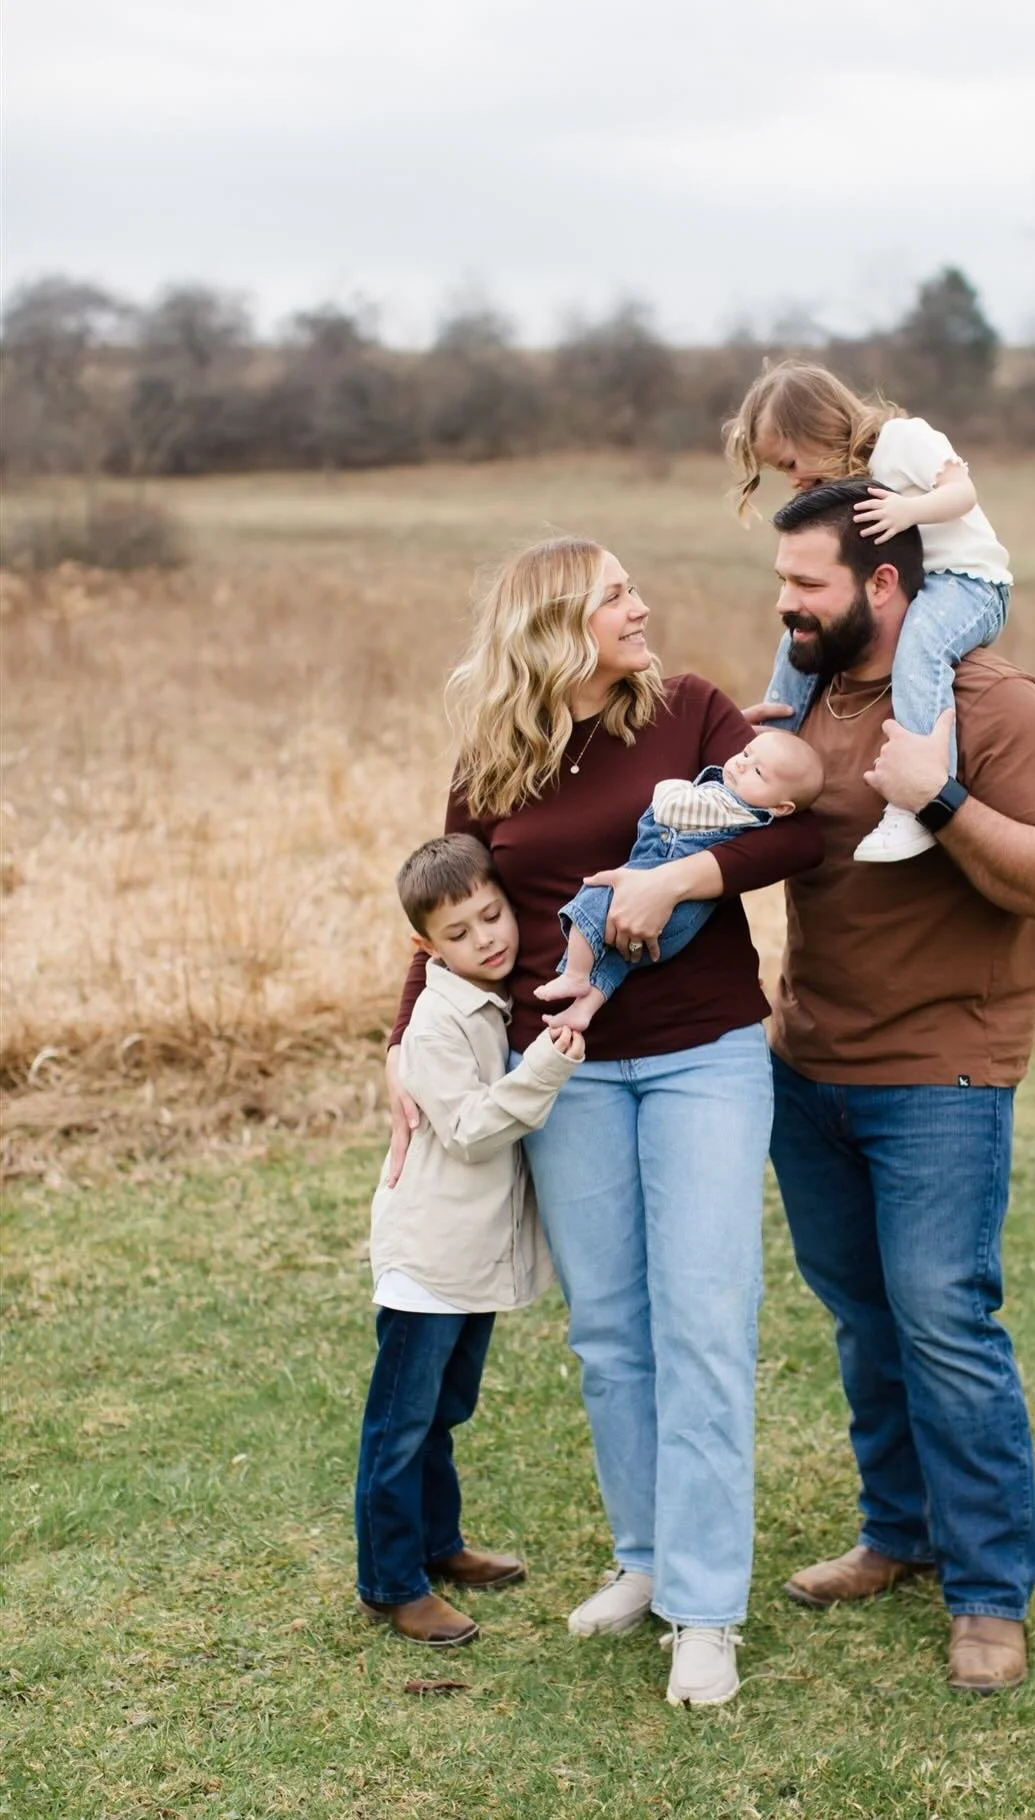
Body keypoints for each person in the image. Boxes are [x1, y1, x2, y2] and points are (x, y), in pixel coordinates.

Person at [384, 537, 823, 1707]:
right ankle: (646, 1556)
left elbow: (797, 828)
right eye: (615, 594)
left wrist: (677, 882)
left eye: (634, 588)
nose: (642, 606)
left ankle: (706, 1607)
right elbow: (441, 909)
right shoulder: (494, 757)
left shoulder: (689, 711)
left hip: (705, 1058)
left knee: (705, 1324)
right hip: (559, 1071)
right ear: (557, 625)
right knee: (612, 1331)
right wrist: (399, 1045)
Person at [755, 479, 1035, 1694]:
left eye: (808, 585)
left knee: (946, 1322)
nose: (784, 604)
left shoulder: (990, 702)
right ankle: (896, 1532)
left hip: (943, 1073)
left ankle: (990, 1594)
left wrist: (938, 797)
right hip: (809, 1069)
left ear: (886, 584)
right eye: (782, 580)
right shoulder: (809, 699)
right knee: (863, 1317)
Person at [356, 833, 584, 1647]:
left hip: (470, 1254)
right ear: (426, 949)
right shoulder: (436, 1023)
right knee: (400, 1422)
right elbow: (472, 1129)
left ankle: (436, 1543)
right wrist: (548, 1067)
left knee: (444, 1410)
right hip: (430, 1259)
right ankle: (390, 1583)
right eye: (459, 933)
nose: (487, 938)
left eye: (493, 916)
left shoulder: (491, 999)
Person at [726, 359, 1012, 864]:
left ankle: (918, 796)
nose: (793, 480)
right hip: (915, 585)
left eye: (790, 464)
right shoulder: (848, 478)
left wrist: (909, 511)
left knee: (921, 647)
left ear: (816, 428)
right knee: (802, 630)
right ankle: (770, 753)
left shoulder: (904, 439)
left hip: (969, 583)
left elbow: (962, 492)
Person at [534, 729, 824, 1032]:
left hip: (666, 908)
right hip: (680, 925)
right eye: (746, 753)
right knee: (620, 960)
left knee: (591, 899)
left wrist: (669, 784)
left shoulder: (727, 807)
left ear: (780, 808)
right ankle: (584, 1008)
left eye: (758, 771)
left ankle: (575, 973)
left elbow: (671, 807)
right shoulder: (751, 814)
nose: (740, 764)